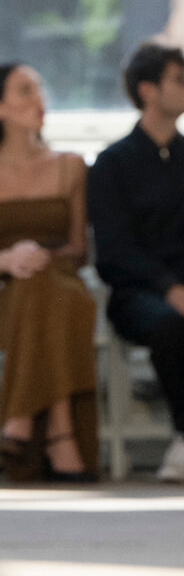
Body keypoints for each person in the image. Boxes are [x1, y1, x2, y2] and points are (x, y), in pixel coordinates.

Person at [0, 63, 97, 481]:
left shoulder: (70, 165)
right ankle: (60, 429)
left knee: (50, 287)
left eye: (39, 89)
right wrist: (11, 259)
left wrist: (38, 257)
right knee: (43, 291)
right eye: (25, 91)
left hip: (63, 282)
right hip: (0, 291)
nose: (40, 100)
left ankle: (20, 416)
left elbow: (78, 248)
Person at [88, 42, 184, 483]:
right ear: (148, 91)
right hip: (138, 294)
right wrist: (169, 287)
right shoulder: (113, 164)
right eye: (178, 80)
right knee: (170, 324)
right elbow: (114, 252)